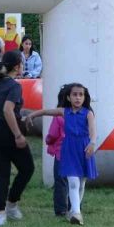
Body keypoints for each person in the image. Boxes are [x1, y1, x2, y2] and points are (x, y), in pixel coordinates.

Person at [26, 83, 97, 226]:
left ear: (85, 97)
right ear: (68, 97)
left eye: (81, 95)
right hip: (69, 149)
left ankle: (74, 210)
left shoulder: (88, 113)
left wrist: (92, 143)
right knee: (73, 181)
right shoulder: (64, 111)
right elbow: (46, 111)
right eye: (74, 95)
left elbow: (93, 131)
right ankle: (76, 213)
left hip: (84, 149)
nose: (78, 97)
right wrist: (32, 115)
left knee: (81, 183)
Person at [0, 51, 34, 226]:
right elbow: (7, 110)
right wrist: (18, 135)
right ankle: (12, 203)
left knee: (1, 173)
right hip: (8, 131)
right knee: (27, 168)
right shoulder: (14, 86)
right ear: (17, 66)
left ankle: (0, 213)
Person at [45, 85, 70, 217]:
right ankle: (75, 207)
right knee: (74, 181)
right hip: (75, 153)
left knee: (61, 181)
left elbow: (53, 134)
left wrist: (48, 141)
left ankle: (60, 209)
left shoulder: (59, 116)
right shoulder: (81, 113)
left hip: (61, 153)